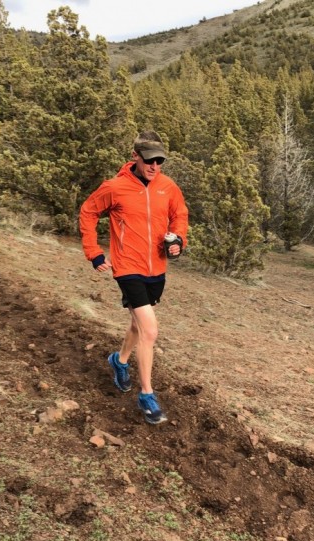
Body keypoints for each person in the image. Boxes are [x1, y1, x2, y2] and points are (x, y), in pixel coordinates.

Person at [79, 131, 189, 425]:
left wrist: (178, 239)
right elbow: (88, 212)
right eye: (150, 160)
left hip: (157, 269)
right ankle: (147, 395)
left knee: (137, 326)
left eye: (160, 161)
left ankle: (120, 361)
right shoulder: (115, 188)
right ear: (135, 157)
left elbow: (180, 214)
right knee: (150, 330)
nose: (155, 166)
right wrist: (94, 251)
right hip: (128, 267)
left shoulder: (168, 187)